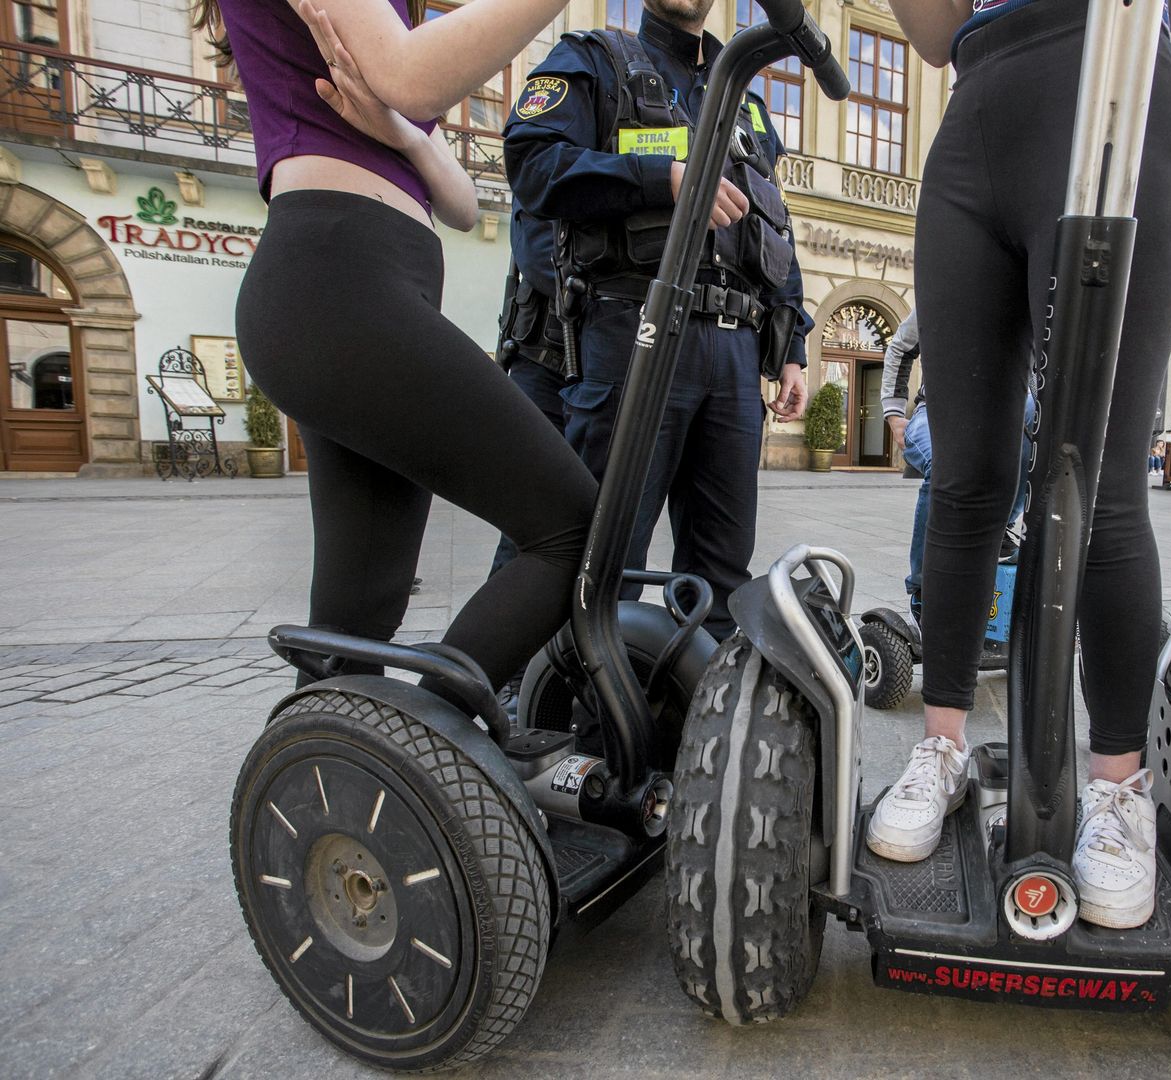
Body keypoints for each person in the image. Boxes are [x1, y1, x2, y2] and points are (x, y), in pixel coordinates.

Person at [866, 0, 1171, 931]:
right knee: (965, 476)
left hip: (1107, 66)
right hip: (975, 101)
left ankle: (1120, 789)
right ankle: (941, 747)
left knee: (1104, 481)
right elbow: (931, 35)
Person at [197, 0, 597, 705]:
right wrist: (404, 112)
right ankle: (418, 745)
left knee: (359, 613)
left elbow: (462, 202)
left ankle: (327, 790)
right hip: (336, 282)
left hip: (356, 292)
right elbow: (412, 78)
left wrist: (401, 135)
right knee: (573, 525)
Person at [501, 0, 812, 637]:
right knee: (604, 552)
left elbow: (772, 224)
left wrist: (790, 339)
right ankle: (576, 714)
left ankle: (696, 715)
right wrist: (658, 179)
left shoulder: (743, 101)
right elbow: (532, 166)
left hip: (732, 349)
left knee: (723, 570)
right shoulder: (593, 61)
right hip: (633, 330)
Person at [881, 310, 1031, 622]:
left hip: (1005, 409)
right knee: (943, 463)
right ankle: (923, 587)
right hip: (935, 409)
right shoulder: (950, 282)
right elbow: (901, 346)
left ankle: (1001, 525)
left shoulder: (1032, 298)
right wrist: (894, 413)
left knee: (1032, 410)